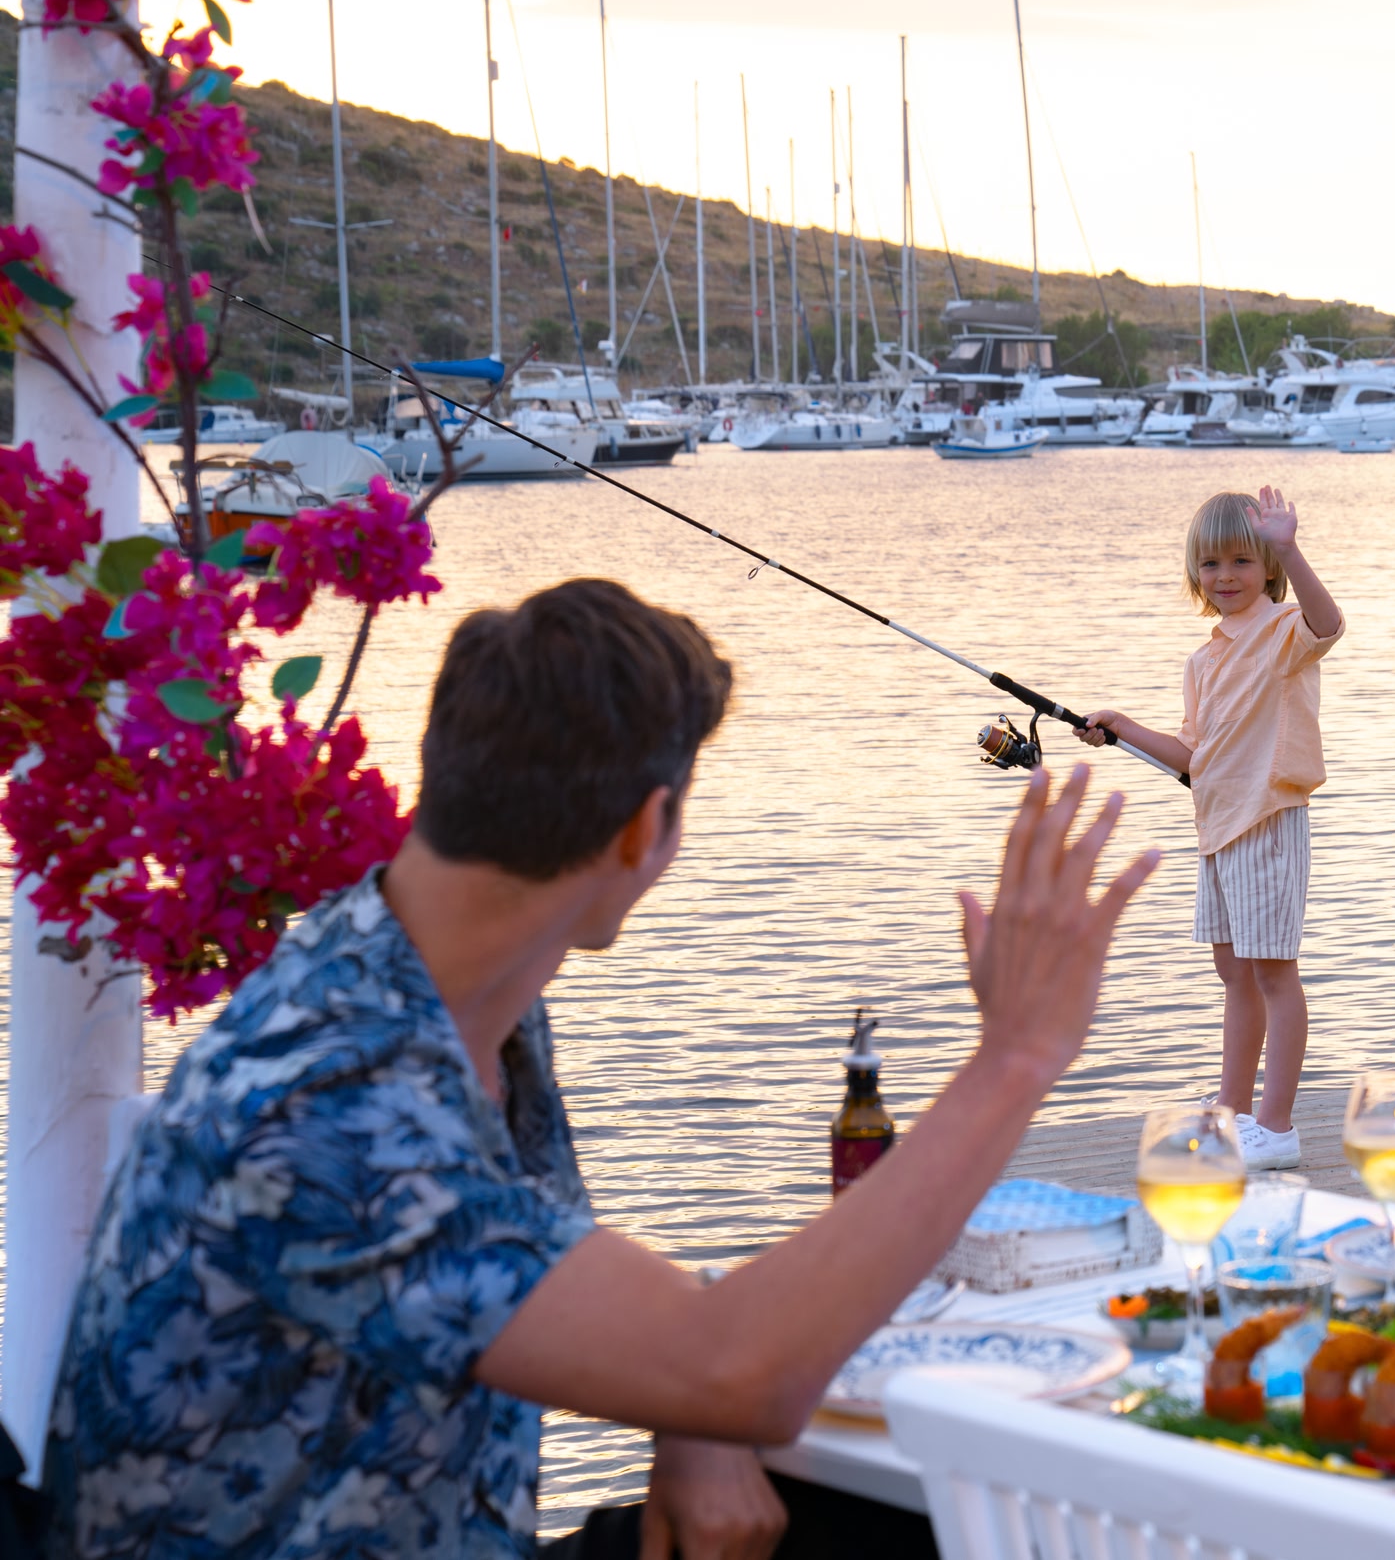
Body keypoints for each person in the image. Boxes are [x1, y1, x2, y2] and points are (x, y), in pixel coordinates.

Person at [41, 578, 1159, 1560]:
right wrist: (1018, 1054)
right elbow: (744, 1369)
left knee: (935, 1530)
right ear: (648, 828)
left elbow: (624, 1313)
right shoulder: (327, 1095)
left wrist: (691, 1411)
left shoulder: (443, 984)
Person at [1076, 487, 1342, 1172]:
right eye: (1211, 562)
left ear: (1267, 568)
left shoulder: (1284, 631)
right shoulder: (1203, 661)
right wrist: (1124, 729)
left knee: (1274, 973)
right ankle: (1235, 1110)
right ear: (1194, 572)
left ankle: (1276, 1126)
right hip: (1218, 829)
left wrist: (1291, 545)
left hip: (1268, 821)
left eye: (1242, 561)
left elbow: (1330, 622)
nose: (1225, 575)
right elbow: (1194, 757)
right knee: (1234, 973)